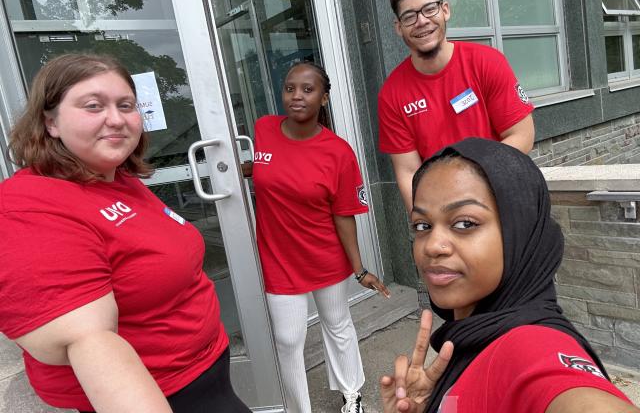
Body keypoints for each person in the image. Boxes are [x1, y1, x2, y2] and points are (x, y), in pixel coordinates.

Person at [0, 54, 250, 413]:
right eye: (93, 106)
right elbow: (90, 340)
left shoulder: (117, 180)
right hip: (157, 394)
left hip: (205, 377)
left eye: (126, 105)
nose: (116, 119)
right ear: (50, 122)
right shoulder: (28, 207)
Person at [379, 137, 639, 413]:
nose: (432, 245)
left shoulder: (528, 347)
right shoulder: (472, 339)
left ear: (520, 233)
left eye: (464, 223)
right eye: (422, 225)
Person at [243, 61, 390, 413]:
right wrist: (246, 169)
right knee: (288, 340)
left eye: (307, 90)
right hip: (278, 259)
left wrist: (359, 269)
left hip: (324, 257)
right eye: (290, 88)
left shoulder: (337, 152)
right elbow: (264, 168)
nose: (296, 96)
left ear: (324, 99)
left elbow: (343, 216)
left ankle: (352, 394)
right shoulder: (263, 129)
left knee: (337, 326)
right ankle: (298, 409)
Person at [378, 0, 535, 212]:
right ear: (399, 27)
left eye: (429, 9)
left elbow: (522, 136)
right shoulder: (392, 94)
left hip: (502, 200)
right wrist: (422, 226)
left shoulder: (487, 62)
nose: (421, 21)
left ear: (445, 10)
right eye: (409, 16)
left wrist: (470, 181)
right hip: (443, 211)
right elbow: (408, 171)